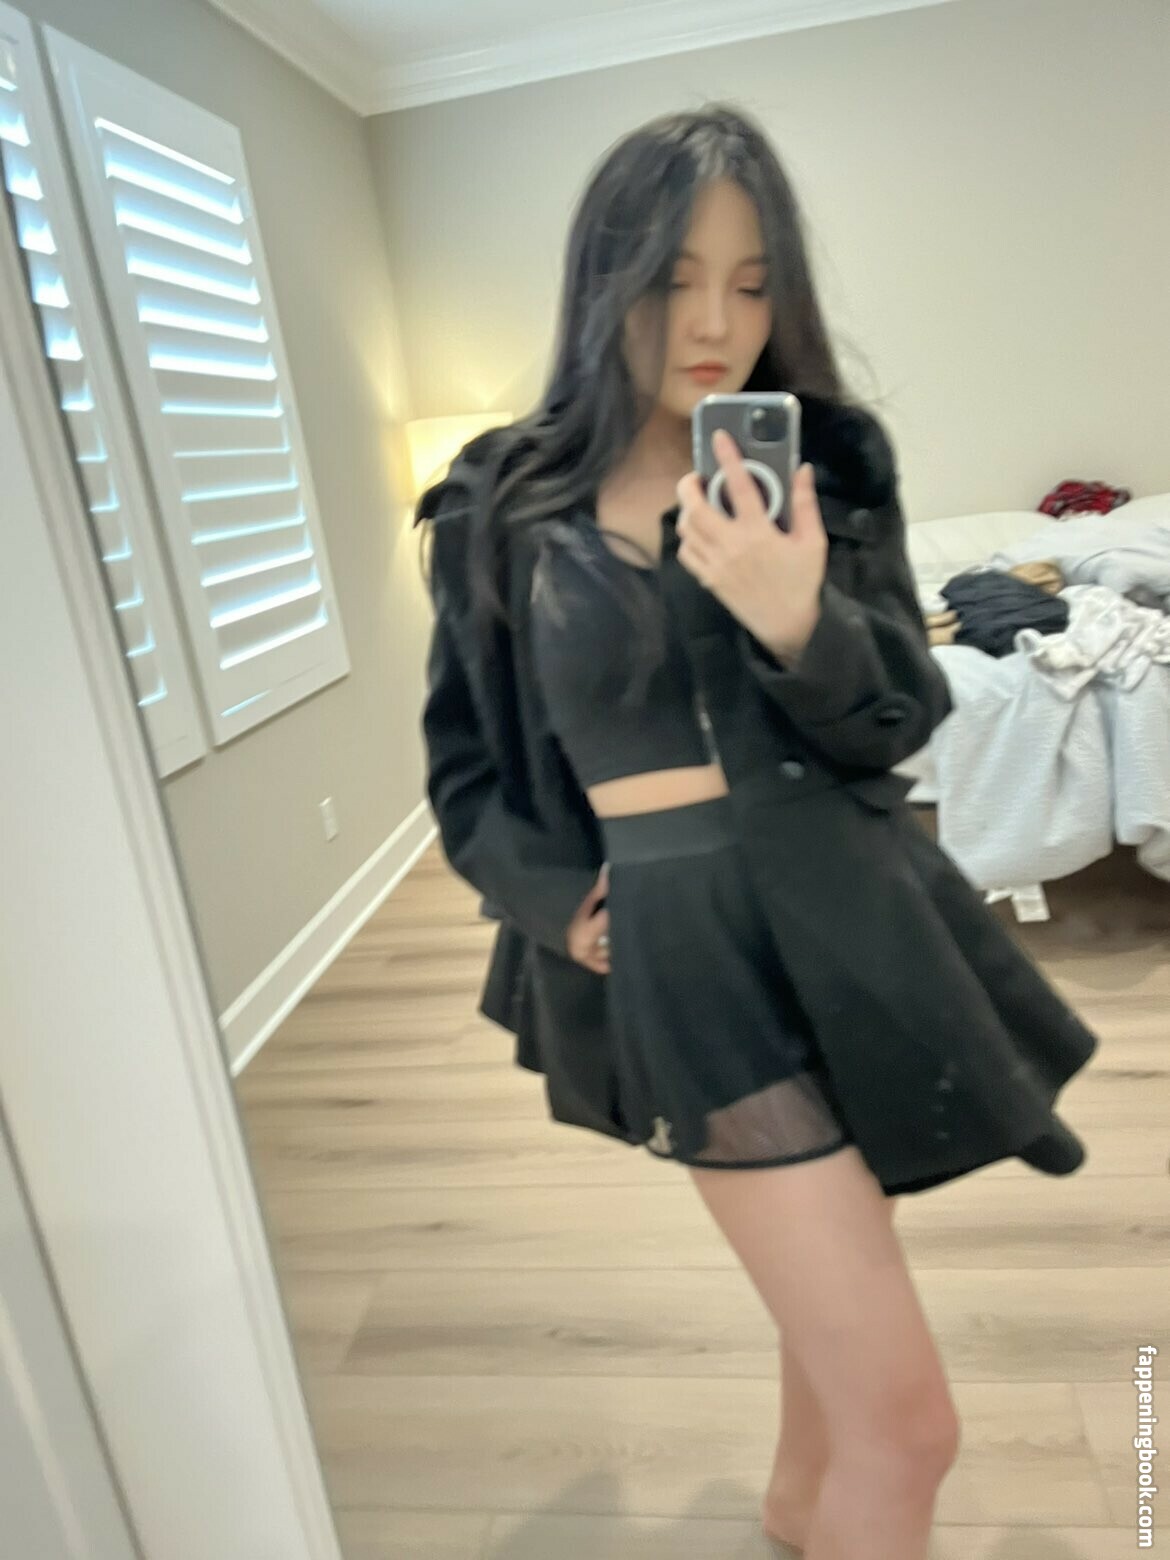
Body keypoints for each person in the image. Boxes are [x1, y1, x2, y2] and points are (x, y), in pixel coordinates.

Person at [415, 105, 1098, 1560]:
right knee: (911, 1429)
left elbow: (899, 718)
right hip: (682, 945)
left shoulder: (828, 466)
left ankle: (799, 1507)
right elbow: (466, 765)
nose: (714, 323)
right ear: (603, 283)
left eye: (750, 280)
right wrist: (551, 903)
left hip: (848, 914)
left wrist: (798, 616)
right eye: (671, 280)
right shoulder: (500, 501)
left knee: (838, 1292)